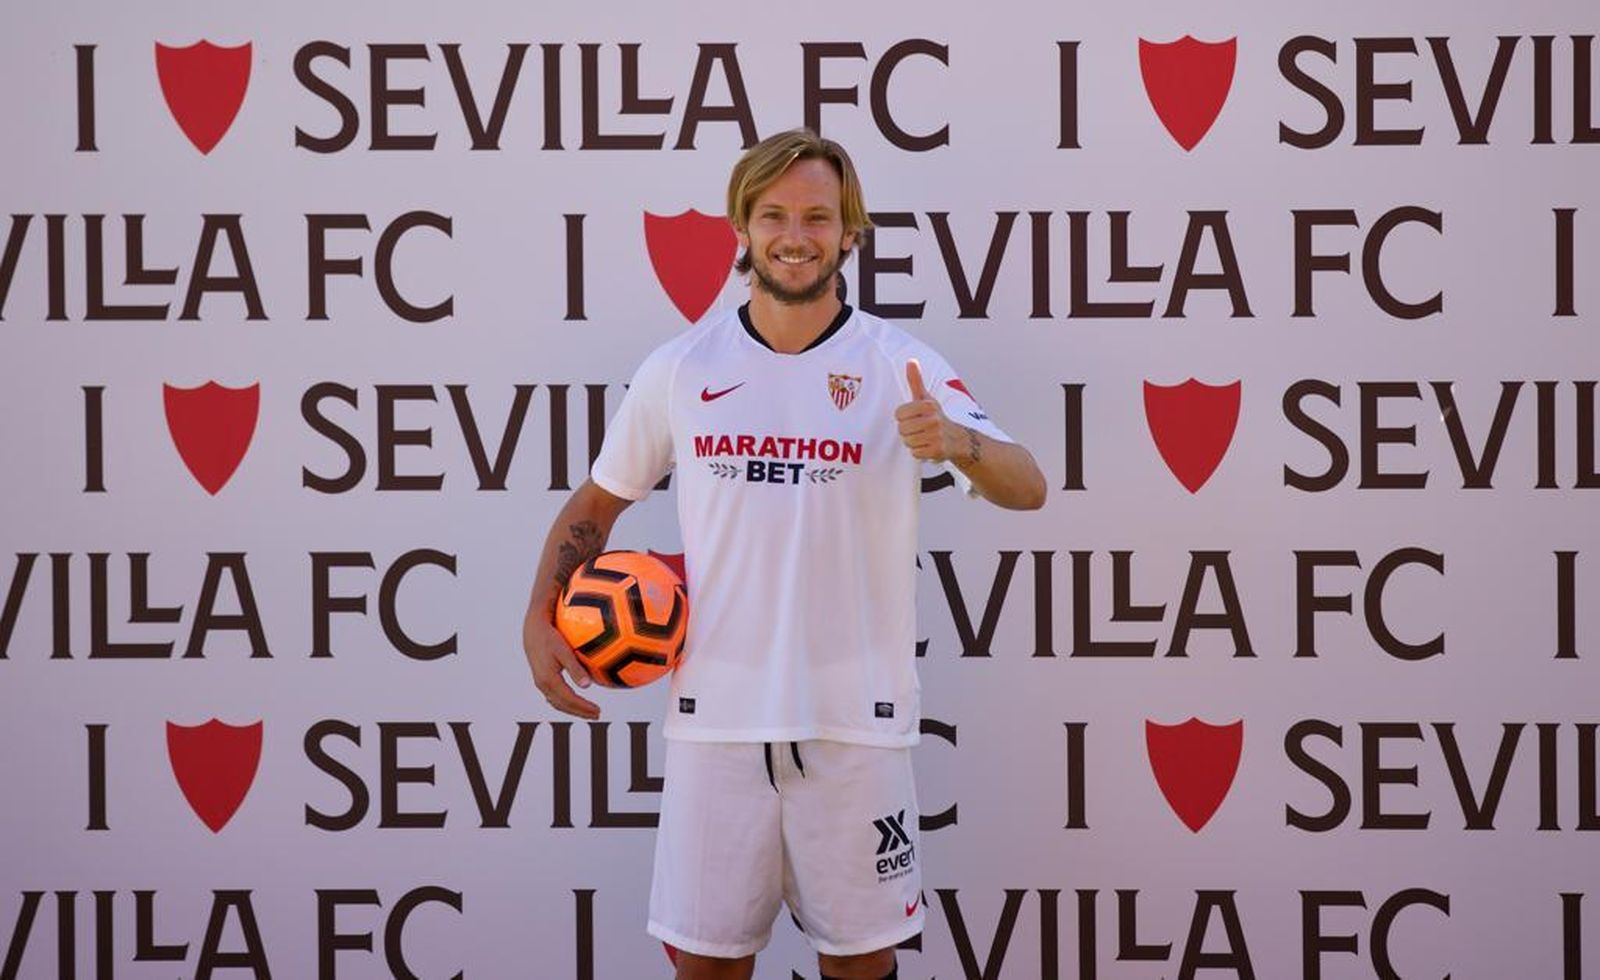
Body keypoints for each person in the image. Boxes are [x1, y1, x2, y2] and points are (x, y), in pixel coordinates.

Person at [521, 128, 1046, 980]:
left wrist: (955, 440)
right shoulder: (684, 366)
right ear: (742, 227)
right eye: (773, 215)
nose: (794, 234)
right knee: (707, 967)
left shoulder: (898, 363)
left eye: (816, 216)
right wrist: (538, 616)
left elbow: (1028, 485)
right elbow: (595, 505)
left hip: (856, 724)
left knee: (860, 966)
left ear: (849, 232)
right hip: (717, 722)